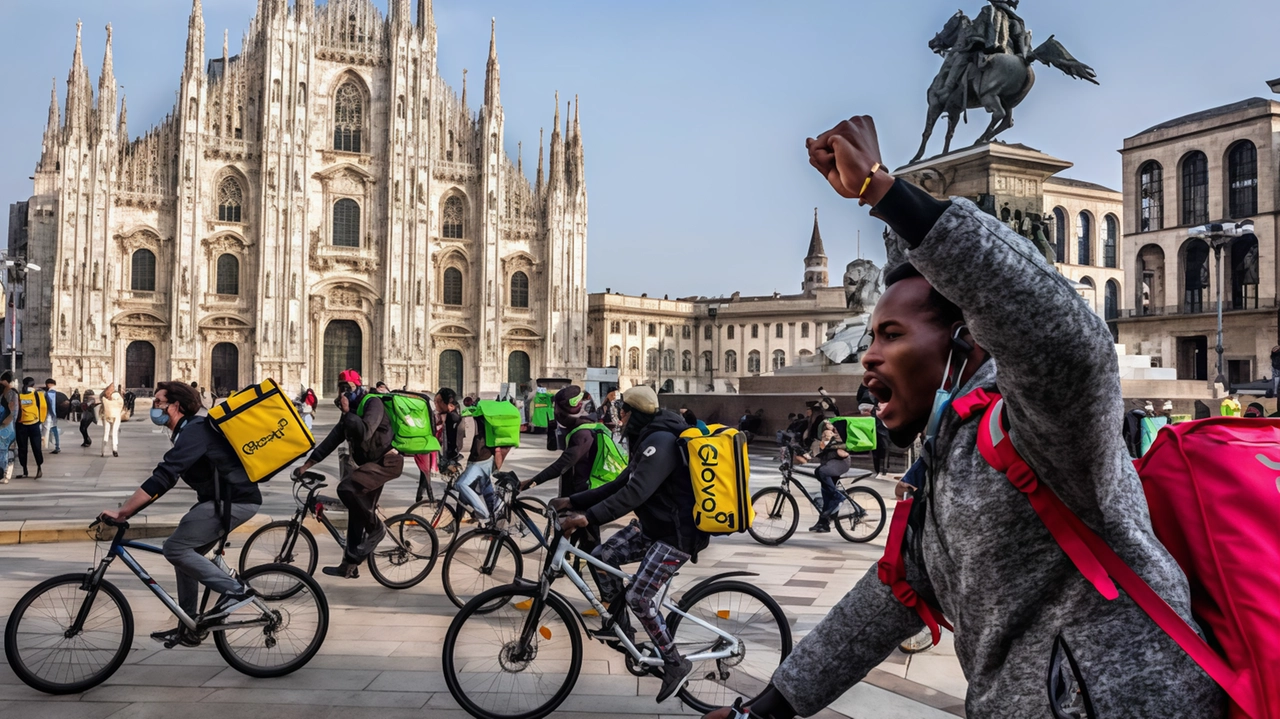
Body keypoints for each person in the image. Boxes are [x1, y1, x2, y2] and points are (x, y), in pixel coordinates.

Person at [701, 116, 1222, 717]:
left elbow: (1066, 338)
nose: (868, 355)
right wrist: (764, 710)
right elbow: (889, 597)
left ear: (967, 338)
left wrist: (884, 191)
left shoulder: (1045, 429)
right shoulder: (948, 459)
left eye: (891, 334)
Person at [553, 386, 703, 703]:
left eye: (622, 410)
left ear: (633, 413)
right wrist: (572, 500)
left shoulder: (660, 442)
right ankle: (621, 627)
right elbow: (620, 484)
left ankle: (676, 663)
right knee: (601, 556)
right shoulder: (647, 439)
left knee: (639, 596)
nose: (618, 416)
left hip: (676, 535)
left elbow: (634, 495)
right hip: (655, 528)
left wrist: (588, 518)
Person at [99, 381, 260, 648]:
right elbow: (166, 479)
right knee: (186, 554)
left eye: (158, 402)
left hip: (236, 501)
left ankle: (235, 592)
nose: (154, 407)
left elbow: (164, 476)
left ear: (176, 406)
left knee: (175, 549)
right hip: (220, 501)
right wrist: (130, 510)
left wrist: (123, 511)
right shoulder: (188, 431)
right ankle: (189, 625)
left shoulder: (195, 431)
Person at [294, 370, 403, 579]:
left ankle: (376, 529)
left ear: (358, 386)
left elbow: (365, 431)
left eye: (347, 387)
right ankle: (349, 566)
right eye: (340, 387)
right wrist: (306, 466)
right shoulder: (351, 412)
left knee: (345, 488)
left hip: (386, 463)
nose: (343, 392)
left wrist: (347, 413)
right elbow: (331, 441)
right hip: (371, 465)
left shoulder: (373, 403)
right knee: (357, 511)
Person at [522, 386, 603, 552]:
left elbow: (562, 464)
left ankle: (601, 573)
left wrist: (532, 481)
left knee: (591, 546)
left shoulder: (583, 433)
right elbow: (559, 454)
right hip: (574, 491)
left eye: (556, 408)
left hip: (583, 493)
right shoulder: (577, 427)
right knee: (564, 532)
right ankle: (562, 563)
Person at [796, 402, 851, 533]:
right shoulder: (816, 424)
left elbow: (822, 444)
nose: (808, 412)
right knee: (826, 493)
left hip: (839, 462)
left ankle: (838, 497)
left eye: (810, 410)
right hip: (830, 461)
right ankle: (823, 523)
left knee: (821, 472)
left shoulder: (827, 425)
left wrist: (807, 456)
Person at [16, 377, 47, 478]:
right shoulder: (38, 394)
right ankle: (39, 468)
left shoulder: (19, 395)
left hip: (21, 425)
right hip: (34, 424)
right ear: (33, 384)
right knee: (36, 447)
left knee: (22, 448)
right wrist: (41, 421)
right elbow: (43, 407)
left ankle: (25, 470)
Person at [0, 372, 17, 484]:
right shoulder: (9, 392)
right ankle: (5, 472)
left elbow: (13, 412)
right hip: (6, 426)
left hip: (6, 427)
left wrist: (5, 422)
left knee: (3, 450)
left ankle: (5, 472)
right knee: (4, 450)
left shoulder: (10, 393)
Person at [100, 384, 124, 458]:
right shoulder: (117, 395)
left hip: (106, 415)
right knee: (114, 432)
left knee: (106, 432)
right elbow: (121, 404)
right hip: (116, 416)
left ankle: (103, 450)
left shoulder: (103, 396)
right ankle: (115, 449)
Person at [44, 379, 61, 455]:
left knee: (51, 430)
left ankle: (56, 447)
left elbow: (51, 404)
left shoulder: (50, 392)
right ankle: (57, 446)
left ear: (49, 384)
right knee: (54, 430)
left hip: (50, 415)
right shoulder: (57, 392)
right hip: (54, 415)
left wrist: (53, 414)